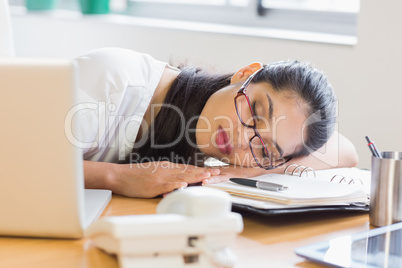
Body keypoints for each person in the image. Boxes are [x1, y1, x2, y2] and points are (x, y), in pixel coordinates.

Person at [69, 47, 358, 198]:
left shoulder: (211, 137)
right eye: (254, 114)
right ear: (246, 73)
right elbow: (26, 165)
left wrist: (249, 168)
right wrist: (117, 177)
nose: (243, 140)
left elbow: (344, 150)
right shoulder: (115, 82)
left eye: (265, 148)